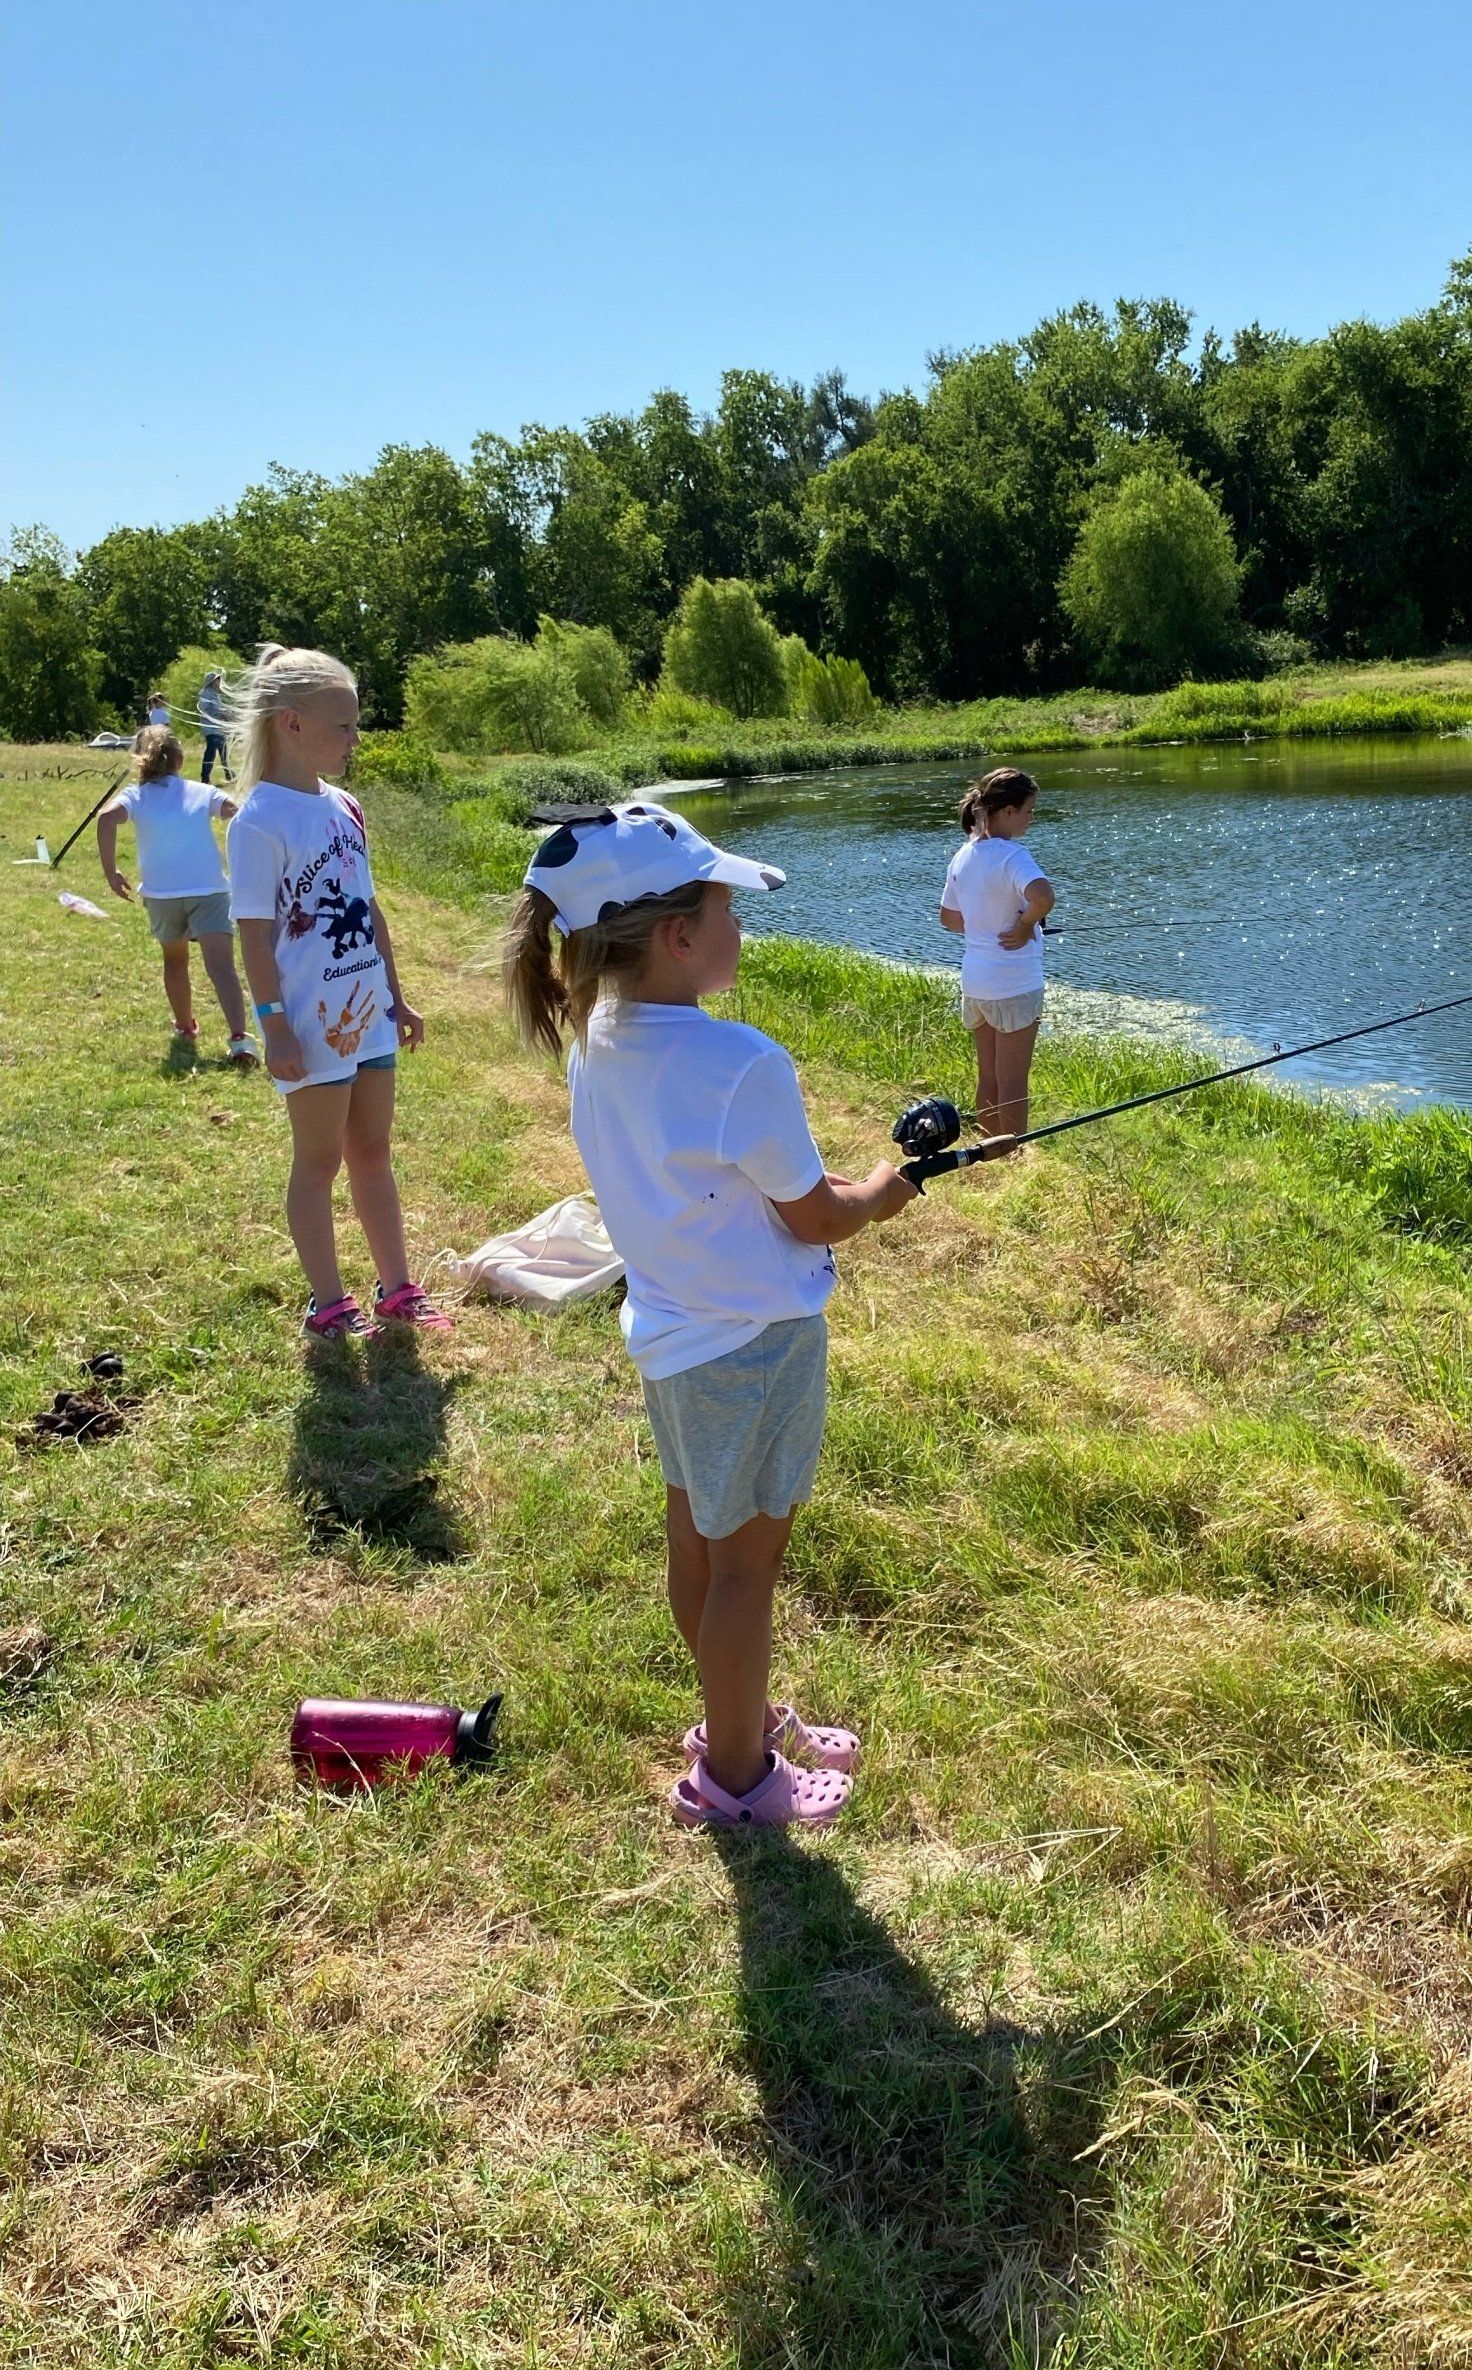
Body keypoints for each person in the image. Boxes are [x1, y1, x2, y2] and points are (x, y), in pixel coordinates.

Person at [505, 803, 917, 1829]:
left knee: (698, 1543)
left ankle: (738, 1717)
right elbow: (819, 1216)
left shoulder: (595, 1040)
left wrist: (832, 1192)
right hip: (756, 1346)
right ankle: (737, 1778)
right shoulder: (742, 1063)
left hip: (674, 1340)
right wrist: (886, 1189)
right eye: (729, 911)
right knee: (747, 1571)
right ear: (678, 936)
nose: (741, 928)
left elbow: (726, 1184)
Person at [225, 643, 453, 1341]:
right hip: (309, 1021)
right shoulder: (258, 820)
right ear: (292, 724)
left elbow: (369, 909)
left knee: (373, 1151)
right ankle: (328, 1303)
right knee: (319, 1161)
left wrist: (397, 996)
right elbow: (254, 935)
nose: (356, 739)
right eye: (344, 726)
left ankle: (398, 1288)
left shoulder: (347, 807)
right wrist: (273, 1025)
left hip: (368, 1011)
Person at [96, 725, 258, 1064]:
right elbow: (237, 813)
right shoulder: (200, 791)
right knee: (222, 966)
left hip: (162, 894)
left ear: (140, 760)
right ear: (180, 760)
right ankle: (240, 1038)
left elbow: (107, 818)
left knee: (175, 960)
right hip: (209, 889)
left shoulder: (135, 796)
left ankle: (185, 1027)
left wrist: (111, 872)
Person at [939, 765, 1054, 1137]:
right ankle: (1014, 1154)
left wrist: (985, 924)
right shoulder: (1012, 855)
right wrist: (1023, 926)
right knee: (1014, 1080)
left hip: (976, 983)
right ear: (1008, 811)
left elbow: (949, 919)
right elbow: (1043, 897)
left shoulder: (963, 855)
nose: (1031, 818)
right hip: (1013, 983)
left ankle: (989, 1150)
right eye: (1029, 811)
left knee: (988, 1076)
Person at [197, 668, 231, 782]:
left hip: (218, 728)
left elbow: (218, 708)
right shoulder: (205, 694)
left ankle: (229, 774)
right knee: (211, 753)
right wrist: (220, 714)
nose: (219, 681)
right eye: (217, 679)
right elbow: (204, 710)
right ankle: (205, 777)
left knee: (224, 752)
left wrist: (226, 713)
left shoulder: (215, 694)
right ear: (212, 681)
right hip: (211, 729)